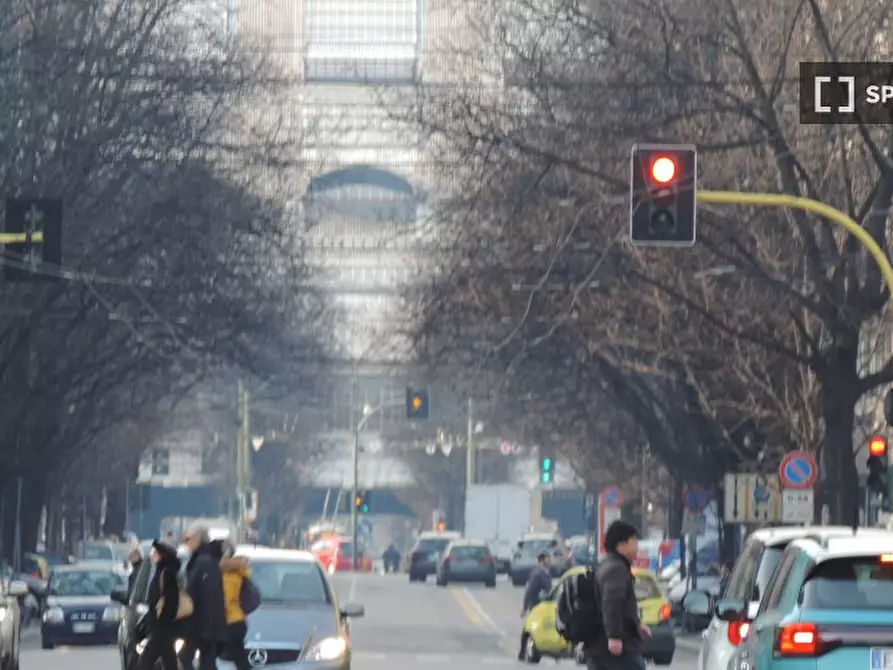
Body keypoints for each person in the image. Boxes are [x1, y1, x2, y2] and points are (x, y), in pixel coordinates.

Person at [586, 521, 650, 670]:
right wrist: (614, 637)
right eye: (634, 542)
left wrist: (637, 625)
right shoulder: (616, 569)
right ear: (621, 544)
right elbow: (612, 603)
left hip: (600, 647)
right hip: (615, 650)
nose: (637, 547)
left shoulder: (607, 565)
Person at [177, 524, 228, 670]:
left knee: (196, 659)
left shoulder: (205, 561)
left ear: (199, 539)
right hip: (201, 623)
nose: (186, 543)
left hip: (204, 624)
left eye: (188, 539)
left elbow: (207, 593)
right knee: (201, 660)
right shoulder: (201, 558)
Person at [139, 540, 181, 670]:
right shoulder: (161, 571)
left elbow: (171, 600)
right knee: (170, 662)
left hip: (161, 628)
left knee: (144, 663)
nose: (153, 556)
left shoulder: (167, 573)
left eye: (155, 553)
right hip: (161, 628)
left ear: (162, 556)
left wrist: (162, 620)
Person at [215, 539, 252, 670]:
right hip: (236, 621)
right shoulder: (233, 571)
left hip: (231, 622)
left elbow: (225, 599)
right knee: (238, 659)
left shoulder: (230, 574)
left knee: (239, 659)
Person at [521, 552, 553, 618]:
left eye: (550, 558)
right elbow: (529, 591)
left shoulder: (547, 572)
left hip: (545, 606)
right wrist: (525, 608)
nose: (550, 560)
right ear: (541, 561)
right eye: (548, 558)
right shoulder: (536, 574)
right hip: (537, 607)